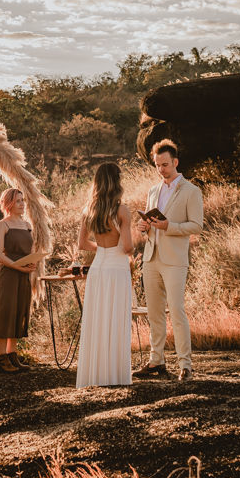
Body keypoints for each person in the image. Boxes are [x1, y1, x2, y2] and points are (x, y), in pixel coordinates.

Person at [135, 139, 203, 381]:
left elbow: (197, 225)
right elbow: (148, 224)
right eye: (157, 165)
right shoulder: (153, 190)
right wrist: (143, 226)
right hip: (151, 257)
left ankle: (185, 364)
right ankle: (157, 361)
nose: (161, 169)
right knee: (154, 313)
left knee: (176, 311)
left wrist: (168, 226)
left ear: (175, 162)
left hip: (175, 260)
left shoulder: (192, 191)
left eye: (165, 164)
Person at [75, 163, 134, 388]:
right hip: (117, 269)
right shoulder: (122, 210)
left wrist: (101, 249)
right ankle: (115, 376)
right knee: (115, 320)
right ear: (116, 182)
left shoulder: (89, 209)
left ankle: (94, 376)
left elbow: (81, 244)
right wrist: (141, 233)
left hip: (98, 268)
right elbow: (127, 247)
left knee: (97, 320)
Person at [0, 187, 36, 372]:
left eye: (22, 200)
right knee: (5, 312)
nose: (22, 204)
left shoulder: (26, 225)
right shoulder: (3, 225)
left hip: (23, 273)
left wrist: (32, 264)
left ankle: (13, 355)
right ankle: (2, 358)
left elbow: (28, 250)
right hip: (7, 274)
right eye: (17, 201)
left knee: (19, 311)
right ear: (8, 203)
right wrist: (17, 266)